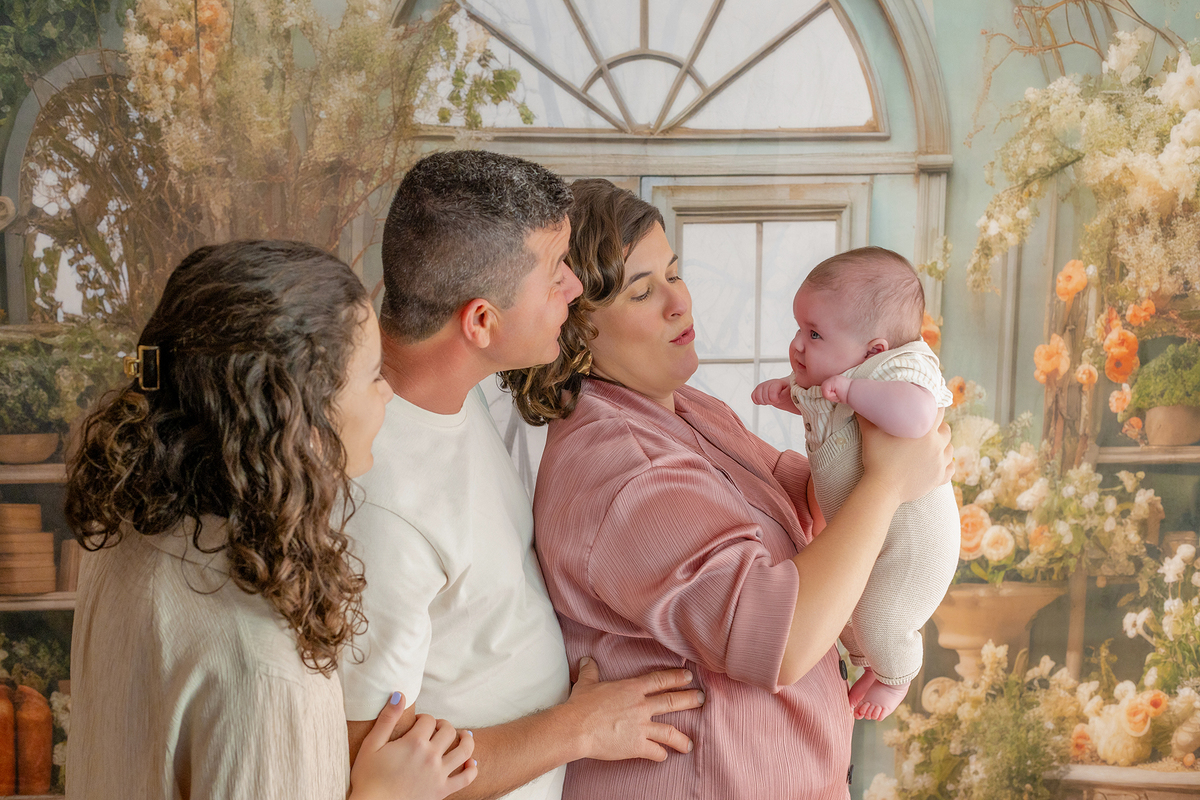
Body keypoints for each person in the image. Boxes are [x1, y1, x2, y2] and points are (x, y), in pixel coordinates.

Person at [501, 179, 954, 799]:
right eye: (642, 292)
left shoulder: (682, 406)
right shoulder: (626, 471)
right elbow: (783, 637)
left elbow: (797, 499)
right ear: (575, 329)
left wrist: (858, 433)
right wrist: (888, 481)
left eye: (674, 273)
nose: (678, 303)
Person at [339, 151, 705, 800]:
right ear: (480, 321)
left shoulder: (459, 392)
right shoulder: (381, 509)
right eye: (555, 274)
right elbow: (374, 770)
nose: (574, 288)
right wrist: (577, 730)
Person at [64, 240, 478, 800]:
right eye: (374, 375)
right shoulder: (262, 668)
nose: (388, 394)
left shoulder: (128, 540)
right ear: (301, 422)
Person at [750, 246, 960, 721]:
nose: (798, 345)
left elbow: (918, 415)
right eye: (800, 329)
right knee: (846, 615)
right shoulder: (842, 374)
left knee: (882, 617)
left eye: (816, 333)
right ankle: (869, 664)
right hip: (873, 530)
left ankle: (897, 677)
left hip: (914, 544)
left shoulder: (895, 370)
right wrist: (790, 397)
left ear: (875, 350)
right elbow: (831, 421)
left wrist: (852, 391)